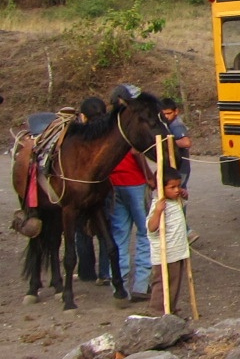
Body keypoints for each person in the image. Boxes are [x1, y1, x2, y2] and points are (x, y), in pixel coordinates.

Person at [106, 91, 154, 303]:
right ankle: (141, 285)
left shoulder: (105, 126)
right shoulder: (129, 124)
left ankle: (119, 285)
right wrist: (149, 176)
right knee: (145, 232)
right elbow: (137, 154)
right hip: (134, 183)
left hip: (114, 185)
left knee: (119, 235)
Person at [73, 96, 114, 286]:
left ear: (83, 116)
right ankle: (105, 272)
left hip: (80, 188)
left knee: (82, 230)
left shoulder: (80, 137)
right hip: (105, 187)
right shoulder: (110, 135)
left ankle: (86, 271)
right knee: (105, 227)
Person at [146, 172, 191, 310]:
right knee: (162, 284)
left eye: (178, 186)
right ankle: (157, 311)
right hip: (165, 254)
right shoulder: (158, 205)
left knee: (174, 284)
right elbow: (151, 227)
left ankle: (169, 308)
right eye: (172, 187)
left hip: (177, 251)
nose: (177, 190)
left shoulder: (175, 201)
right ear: (161, 188)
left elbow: (184, 199)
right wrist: (158, 212)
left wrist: (184, 194)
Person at [160, 97, 193, 192]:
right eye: (164, 114)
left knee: (178, 191)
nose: (166, 116)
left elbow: (186, 142)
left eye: (169, 113)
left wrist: (167, 141)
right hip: (173, 166)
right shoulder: (166, 123)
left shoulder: (176, 125)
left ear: (176, 112)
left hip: (181, 167)